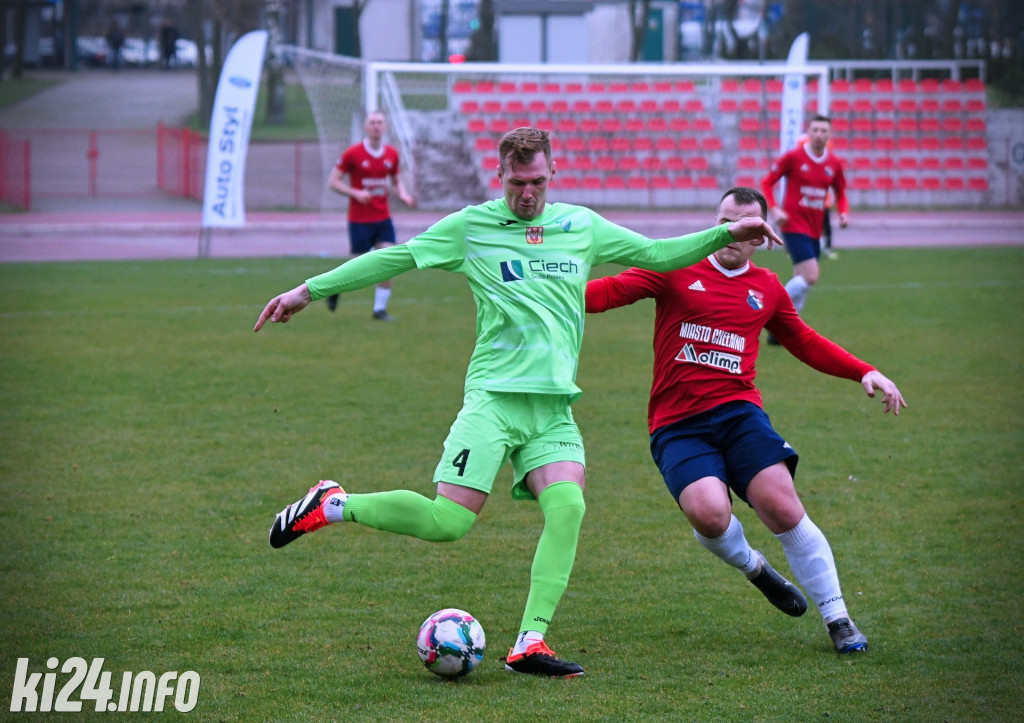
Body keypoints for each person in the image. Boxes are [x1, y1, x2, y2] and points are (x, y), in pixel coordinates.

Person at [254, 129, 782, 678]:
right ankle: (333, 503)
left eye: (536, 182)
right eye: (516, 183)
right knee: (448, 522)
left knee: (568, 507)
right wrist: (308, 291)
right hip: (494, 399)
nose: (527, 194)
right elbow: (397, 258)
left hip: (552, 407)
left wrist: (726, 231)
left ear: (552, 174)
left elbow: (655, 253)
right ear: (500, 175)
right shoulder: (472, 227)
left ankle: (530, 642)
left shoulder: (580, 225)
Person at [585, 186, 906, 654]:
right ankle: (755, 567)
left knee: (782, 506)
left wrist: (864, 370)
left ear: (761, 236)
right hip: (678, 423)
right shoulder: (675, 265)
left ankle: (838, 618)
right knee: (709, 514)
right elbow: (604, 294)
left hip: (739, 415)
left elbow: (804, 342)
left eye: (742, 226)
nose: (730, 232)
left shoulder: (767, 288)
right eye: (723, 222)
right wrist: (545, 286)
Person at [761, 115, 849, 342]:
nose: (819, 134)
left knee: (801, 281)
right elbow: (767, 182)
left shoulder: (833, 164)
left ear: (829, 135)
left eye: (823, 131)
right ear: (808, 133)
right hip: (793, 225)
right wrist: (774, 210)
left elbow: (841, 193)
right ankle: (771, 315)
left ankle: (781, 332)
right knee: (811, 276)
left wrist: (843, 212)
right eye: (815, 130)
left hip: (814, 231)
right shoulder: (794, 157)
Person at [324, 110, 414, 320]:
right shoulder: (353, 153)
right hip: (359, 220)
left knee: (390, 260)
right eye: (372, 122)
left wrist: (402, 193)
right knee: (357, 268)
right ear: (365, 127)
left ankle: (379, 309)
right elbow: (333, 182)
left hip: (383, 218)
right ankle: (334, 288)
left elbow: (396, 180)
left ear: (385, 127)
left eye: (379, 123)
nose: (376, 126)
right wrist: (355, 192)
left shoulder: (391, 154)